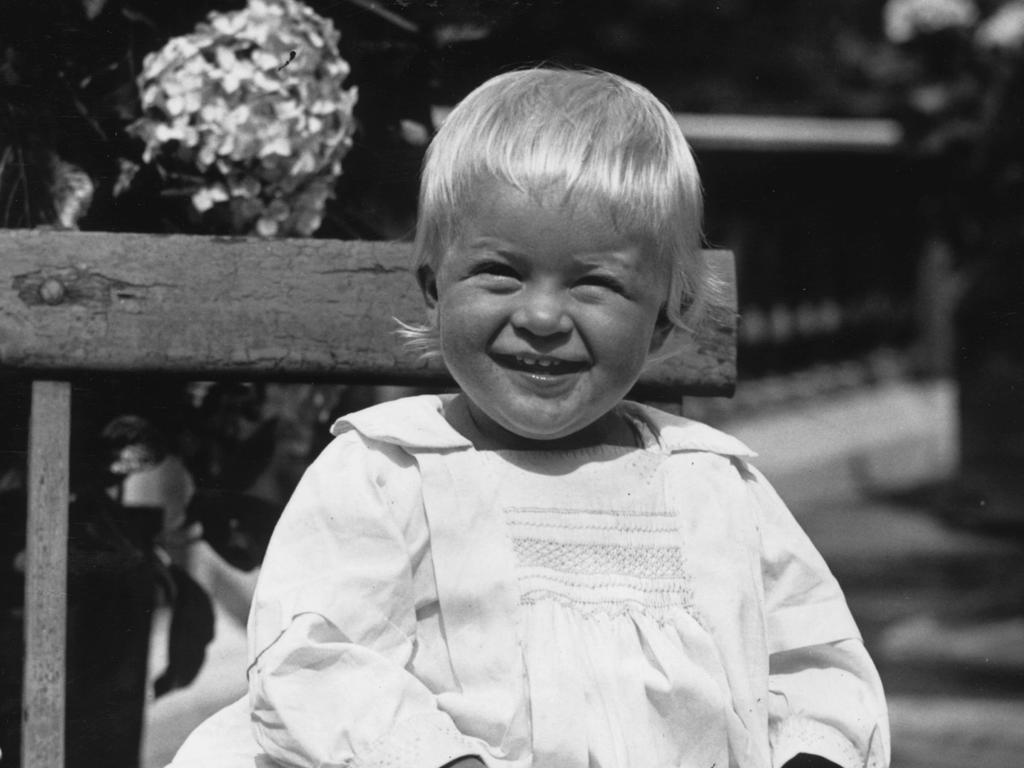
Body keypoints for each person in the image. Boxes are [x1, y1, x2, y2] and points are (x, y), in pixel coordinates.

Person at [170, 67, 889, 768]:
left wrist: (812, 754)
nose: (542, 316)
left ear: (665, 323)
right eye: (501, 274)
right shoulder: (390, 472)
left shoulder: (714, 486)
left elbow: (818, 664)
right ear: (434, 290)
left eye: (595, 283)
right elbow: (314, 659)